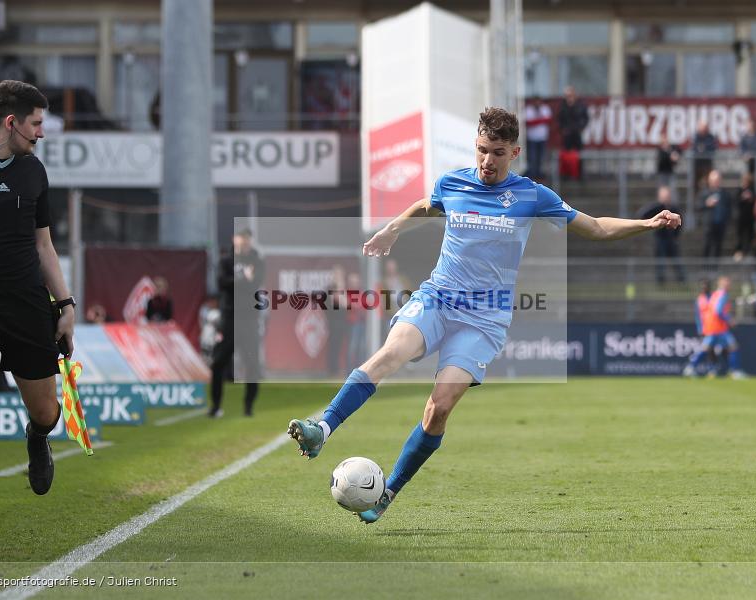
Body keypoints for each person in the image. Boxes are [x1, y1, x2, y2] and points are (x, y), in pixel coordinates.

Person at [286, 107, 681, 523]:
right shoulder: (452, 182)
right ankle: (322, 430)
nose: (486, 161)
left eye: (496, 152)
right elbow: (425, 205)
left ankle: (388, 492)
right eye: (481, 150)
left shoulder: (532, 195)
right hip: (438, 298)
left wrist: (648, 224)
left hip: (484, 320)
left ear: (514, 153)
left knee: (438, 408)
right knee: (390, 354)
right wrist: (390, 230)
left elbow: (597, 227)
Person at [0, 80, 75, 560]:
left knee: (46, 411)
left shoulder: (34, 172)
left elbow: (44, 246)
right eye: (37, 123)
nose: (41, 133)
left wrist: (65, 306)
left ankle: (36, 436)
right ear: (11, 121)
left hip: (26, 305)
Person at [209, 229, 264, 418]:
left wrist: (243, 282)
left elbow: (256, 283)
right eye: (241, 239)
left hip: (249, 319)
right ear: (235, 239)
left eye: (247, 239)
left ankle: (248, 407)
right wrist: (242, 279)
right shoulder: (225, 261)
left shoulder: (257, 261)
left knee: (252, 364)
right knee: (218, 362)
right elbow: (221, 283)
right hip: (229, 318)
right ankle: (215, 406)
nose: (244, 243)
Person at [697, 276, 746, 379]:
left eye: (729, 283)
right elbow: (718, 311)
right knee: (731, 347)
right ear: (721, 284)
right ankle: (734, 371)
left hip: (713, 327)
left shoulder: (715, 294)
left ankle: (731, 370)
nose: (729, 285)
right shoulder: (722, 295)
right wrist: (729, 320)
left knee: (711, 348)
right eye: (727, 283)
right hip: (717, 328)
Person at [638, 186, 685, 284]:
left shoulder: (673, 208)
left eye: (667, 195)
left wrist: (675, 236)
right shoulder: (657, 208)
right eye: (664, 196)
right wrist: (657, 206)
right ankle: (661, 282)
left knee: (677, 261)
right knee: (660, 262)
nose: (666, 198)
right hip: (660, 239)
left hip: (672, 240)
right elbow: (642, 214)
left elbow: (680, 222)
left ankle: (682, 281)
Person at [699, 170, 732, 267]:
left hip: (720, 225)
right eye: (713, 180)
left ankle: (715, 269)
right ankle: (705, 269)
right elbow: (698, 206)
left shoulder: (725, 194)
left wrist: (726, 219)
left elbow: (728, 208)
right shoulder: (704, 193)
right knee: (707, 246)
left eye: (717, 180)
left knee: (718, 247)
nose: (715, 182)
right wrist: (706, 203)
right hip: (709, 225)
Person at [683, 279, 714, 377]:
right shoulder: (700, 299)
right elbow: (698, 316)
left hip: (714, 327)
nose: (704, 288)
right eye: (702, 286)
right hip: (706, 328)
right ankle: (691, 367)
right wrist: (700, 329)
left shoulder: (713, 297)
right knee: (707, 348)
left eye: (706, 286)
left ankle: (711, 370)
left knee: (710, 349)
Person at [524, 97, 552, 180]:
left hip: (542, 137)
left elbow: (548, 120)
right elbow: (528, 122)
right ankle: (532, 173)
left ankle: (539, 173)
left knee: (541, 156)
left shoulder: (545, 108)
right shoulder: (528, 109)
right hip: (532, 137)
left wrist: (537, 120)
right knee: (532, 156)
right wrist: (541, 120)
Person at [734, 173, 756, 260]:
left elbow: (755, 201)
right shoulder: (739, 190)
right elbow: (736, 201)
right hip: (741, 217)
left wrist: (750, 198)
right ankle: (739, 252)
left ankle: (749, 252)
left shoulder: (752, 190)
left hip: (750, 217)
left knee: (750, 235)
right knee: (740, 235)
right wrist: (742, 198)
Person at [691, 121, 717, 192]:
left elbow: (712, 147)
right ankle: (695, 199)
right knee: (695, 183)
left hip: (707, 164)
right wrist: (702, 148)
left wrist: (703, 148)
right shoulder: (696, 136)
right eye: (702, 128)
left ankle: (709, 195)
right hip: (697, 164)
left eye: (704, 128)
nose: (703, 130)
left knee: (708, 182)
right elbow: (694, 148)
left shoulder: (710, 137)